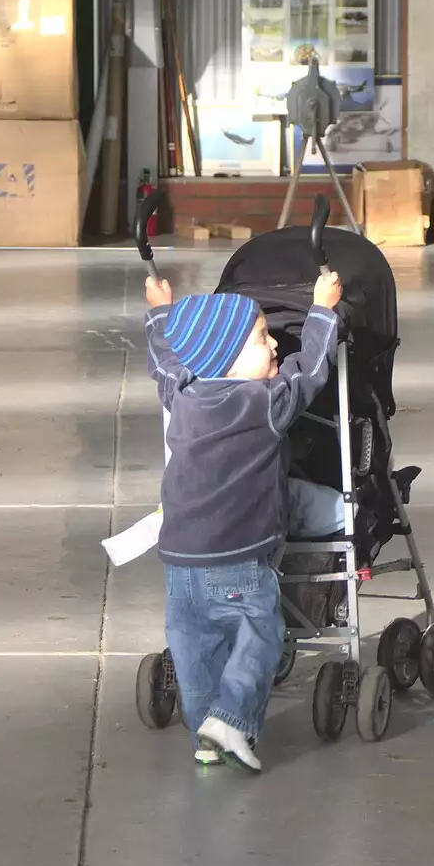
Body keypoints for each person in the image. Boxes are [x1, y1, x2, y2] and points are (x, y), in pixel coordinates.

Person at [144, 271, 345, 773]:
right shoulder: (263, 403)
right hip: (238, 558)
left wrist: (159, 315)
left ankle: (205, 738)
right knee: (260, 633)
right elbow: (311, 371)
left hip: (178, 561)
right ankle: (231, 719)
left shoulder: (182, 397)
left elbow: (164, 363)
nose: (274, 341)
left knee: (195, 652)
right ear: (226, 360)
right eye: (261, 337)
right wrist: (322, 309)